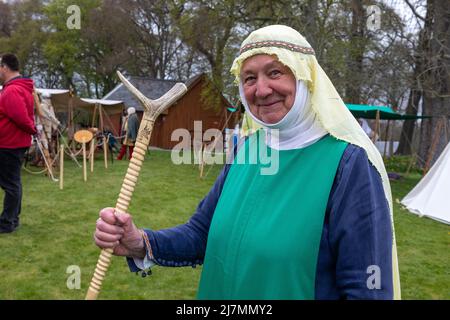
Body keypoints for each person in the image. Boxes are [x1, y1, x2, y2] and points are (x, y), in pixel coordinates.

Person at [94, 25, 401, 299]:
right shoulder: (247, 149)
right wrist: (139, 242)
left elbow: (367, 290)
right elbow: (202, 234)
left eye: (275, 72)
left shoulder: (347, 164)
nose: (261, 89)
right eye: (249, 78)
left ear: (305, 77)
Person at [0, 53, 36, 233]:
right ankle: (11, 219)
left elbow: (21, 117)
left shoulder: (12, 90)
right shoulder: (18, 88)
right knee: (13, 183)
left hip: (9, 144)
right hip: (12, 143)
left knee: (11, 184)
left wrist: (33, 129)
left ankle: (8, 222)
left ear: (5, 67)